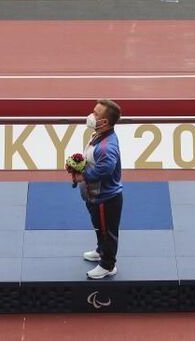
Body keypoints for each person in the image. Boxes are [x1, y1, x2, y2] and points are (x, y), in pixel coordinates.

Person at [73, 99, 123, 280]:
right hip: (94, 196)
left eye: (96, 114)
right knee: (98, 227)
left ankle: (108, 265)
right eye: (93, 111)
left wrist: (83, 176)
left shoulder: (106, 146)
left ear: (105, 122)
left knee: (107, 232)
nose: (91, 116)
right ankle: (101, 250)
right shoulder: (98, 135)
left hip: (105, 199)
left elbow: (106, 168)